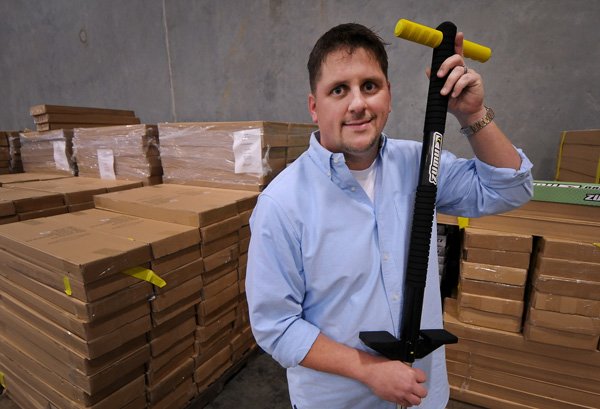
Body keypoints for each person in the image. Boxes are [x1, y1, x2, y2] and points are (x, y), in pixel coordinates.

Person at [246, 22, 533, 409]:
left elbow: (510, 188)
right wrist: (368, 369)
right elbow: (275, 326)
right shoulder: (282, 203)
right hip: (339, 401)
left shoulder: (419, 163)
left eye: (370, 86)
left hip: (423, 396)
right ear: (314, 107)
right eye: (338, 90)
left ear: (389, 95)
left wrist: (472, 113)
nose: (358, 104)